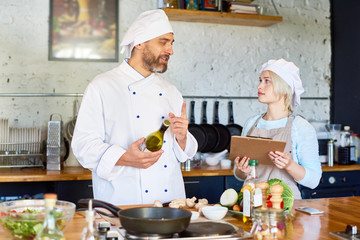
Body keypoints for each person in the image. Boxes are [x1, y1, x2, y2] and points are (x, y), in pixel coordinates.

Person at [71, 9, 198, 205]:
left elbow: (183, 153)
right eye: (163, 42)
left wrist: (182, 138)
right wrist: (124, 158)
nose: (170, 50)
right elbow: (83, 146)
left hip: (170, 203)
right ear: (139, 42)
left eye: (171, 44)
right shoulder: (102, 86)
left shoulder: (171, 91)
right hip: (122, 202)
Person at [234, 59, 322, 199]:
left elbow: (314, 180)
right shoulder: (251, 123)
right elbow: (238, 175)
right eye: (260, 80)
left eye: (267, 81)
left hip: (285, 208)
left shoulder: (300, 127)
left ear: (284, 86)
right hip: (249, 205)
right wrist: (242, 170)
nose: (259, 86)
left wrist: (289, 165)